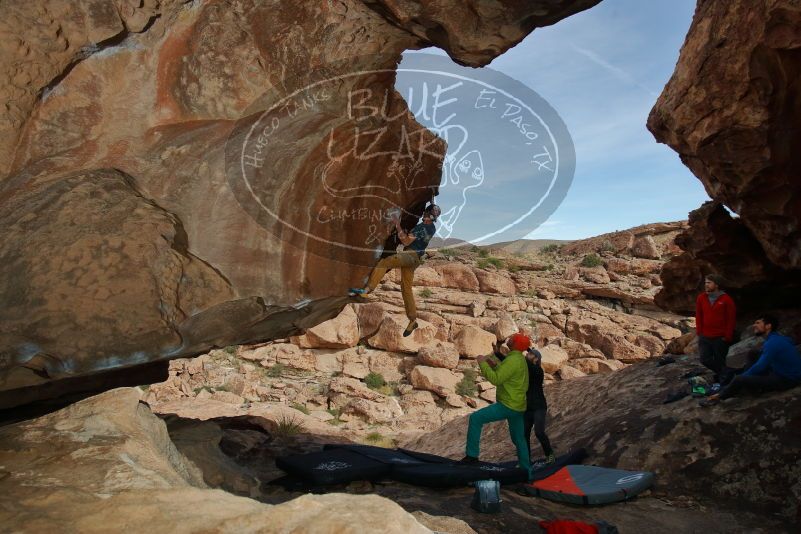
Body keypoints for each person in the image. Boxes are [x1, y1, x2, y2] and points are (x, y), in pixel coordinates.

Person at [349, 204, 441, 336]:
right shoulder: (432, 228)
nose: (423, 215)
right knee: (406, 288)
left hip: (410, 255)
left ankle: (367, 290)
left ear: (428, 215)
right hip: (416, 259)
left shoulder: (421, 227)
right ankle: (412, 320)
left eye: (425, 213)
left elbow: (406, 242)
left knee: (385, 262)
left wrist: (397, 224)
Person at [460, 333, 531, 474]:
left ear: (515, 344)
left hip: (508, 404)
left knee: (476, 418)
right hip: (518, 405)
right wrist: (494, 364)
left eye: (512, 339)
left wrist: (482, 364)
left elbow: (496, 380)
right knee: (519, 438)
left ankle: (472, 456)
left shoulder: (513, 361)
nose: (508, 340)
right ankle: (526, 470)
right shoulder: (517, 359)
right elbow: (506, 374)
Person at [703, 315, 801, 405]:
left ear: (768, 326)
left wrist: (743, 377)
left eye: (758, 323)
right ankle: (748, 386)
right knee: (753, 353)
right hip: (781, 371)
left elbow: (760, 366)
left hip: (787, 379)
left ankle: (719, 396)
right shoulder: (779, 338)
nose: (754, 325)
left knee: (739, 379)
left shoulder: (772, 343)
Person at [695, 274, 736, 380]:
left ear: (716, 284)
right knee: (704, 359)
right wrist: (699, 332)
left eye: (709, 283)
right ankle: (726, 373)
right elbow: (699, 315)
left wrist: (727, 336)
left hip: (720, 336)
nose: (706, 285)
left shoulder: (726, 299)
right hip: (705, 336)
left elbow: (731, 319)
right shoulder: (701, 298)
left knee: (720, 360)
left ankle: (723, 378)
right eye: (705, 283)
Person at [523, 348, 555, 464]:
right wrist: (497, 353)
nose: (528, 354)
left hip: (539, 407)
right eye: (528, 352)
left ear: (536, 359)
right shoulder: (526, 369)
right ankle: (526, 459)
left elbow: (525, 362)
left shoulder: (538, 370)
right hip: (528, 408)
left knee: (539, 432)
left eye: (531, 354)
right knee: (524, 434)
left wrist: (520, 351)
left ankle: (550, 454)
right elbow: (513, 362)